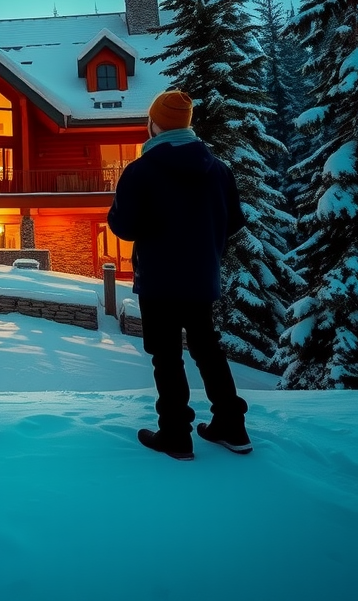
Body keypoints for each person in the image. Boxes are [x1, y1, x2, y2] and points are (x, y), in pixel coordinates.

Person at [107, 90, 251, 460]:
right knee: (208, 350)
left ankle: (175, 434)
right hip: (202, 277)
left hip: (159, 281)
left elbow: (123, 226)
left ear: (154, 125)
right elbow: (234, 221)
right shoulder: (217, 169)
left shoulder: (141, 170)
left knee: (167, 357)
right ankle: (231, 426)